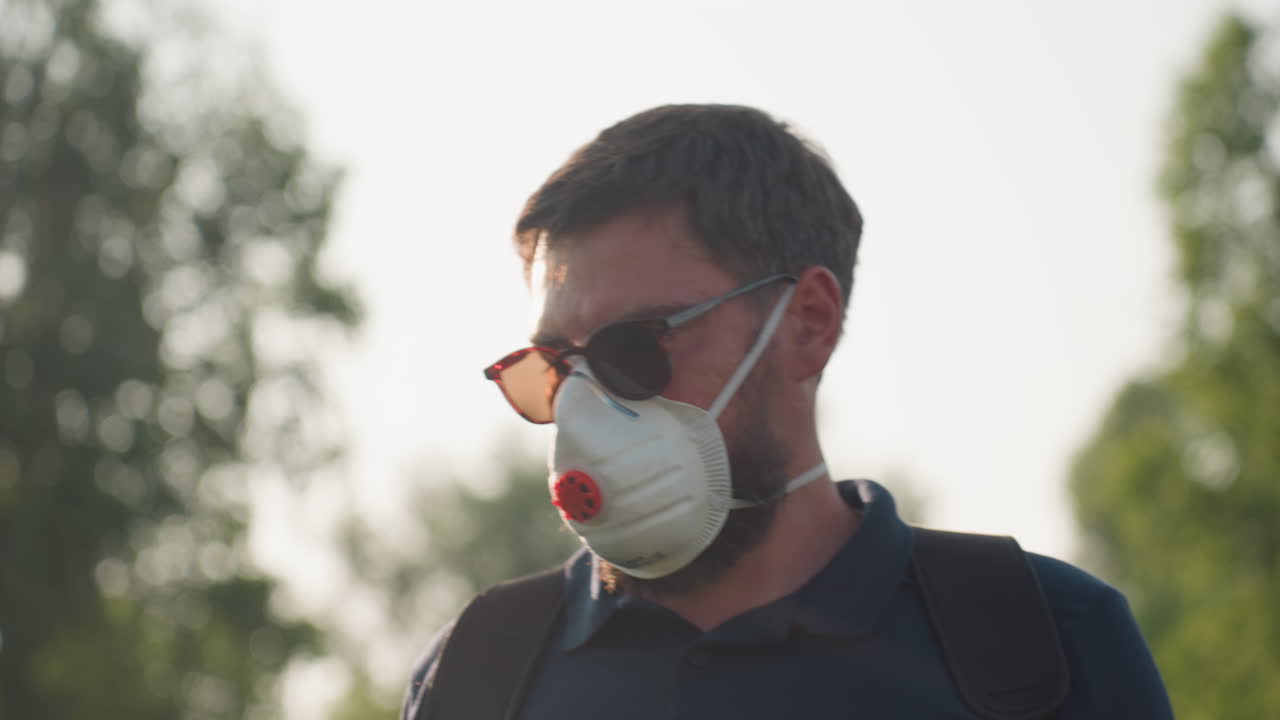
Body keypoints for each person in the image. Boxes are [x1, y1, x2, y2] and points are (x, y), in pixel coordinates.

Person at [401, 104, 1173, 719]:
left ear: (808, 322)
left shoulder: (1039, 641)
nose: (588, 412)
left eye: (632, 350)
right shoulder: (478, 673)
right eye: (558, 366)